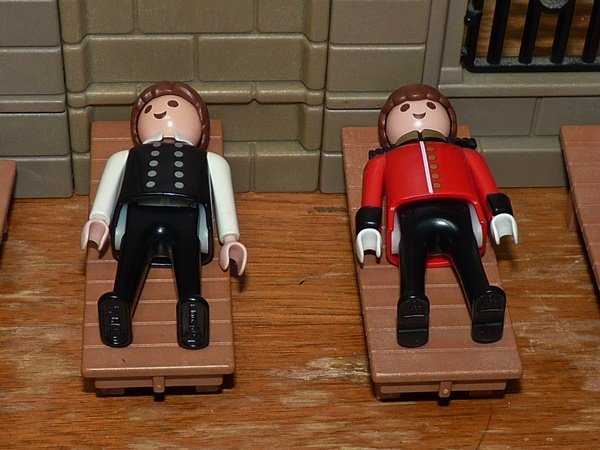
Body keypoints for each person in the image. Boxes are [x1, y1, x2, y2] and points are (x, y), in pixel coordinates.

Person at [81, 81, 247, 350]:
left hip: (186, 214)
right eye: (148, 110)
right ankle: (120, 301)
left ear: (200, 122)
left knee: (187, 252)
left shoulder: (210, 160)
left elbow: (223, 197)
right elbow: (109, 187)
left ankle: (191, 309)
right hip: (138, 211)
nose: (161, 112)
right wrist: (99, 219)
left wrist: (230, 238)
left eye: (173, 105)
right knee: (132, 251)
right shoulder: (125, 156)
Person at [355, 84, 518, 348]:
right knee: (411, 256)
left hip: (458, 211)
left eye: (431, 107)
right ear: (386, 128)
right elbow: (371, 194)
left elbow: (487, 184)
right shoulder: (381, 160)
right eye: (404, 110)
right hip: (410, 217)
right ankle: (412, 303)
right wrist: (368, 226)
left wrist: (499, 212)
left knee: (467, 253)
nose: (418, 114)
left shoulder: (465, 153)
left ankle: (483, 297)